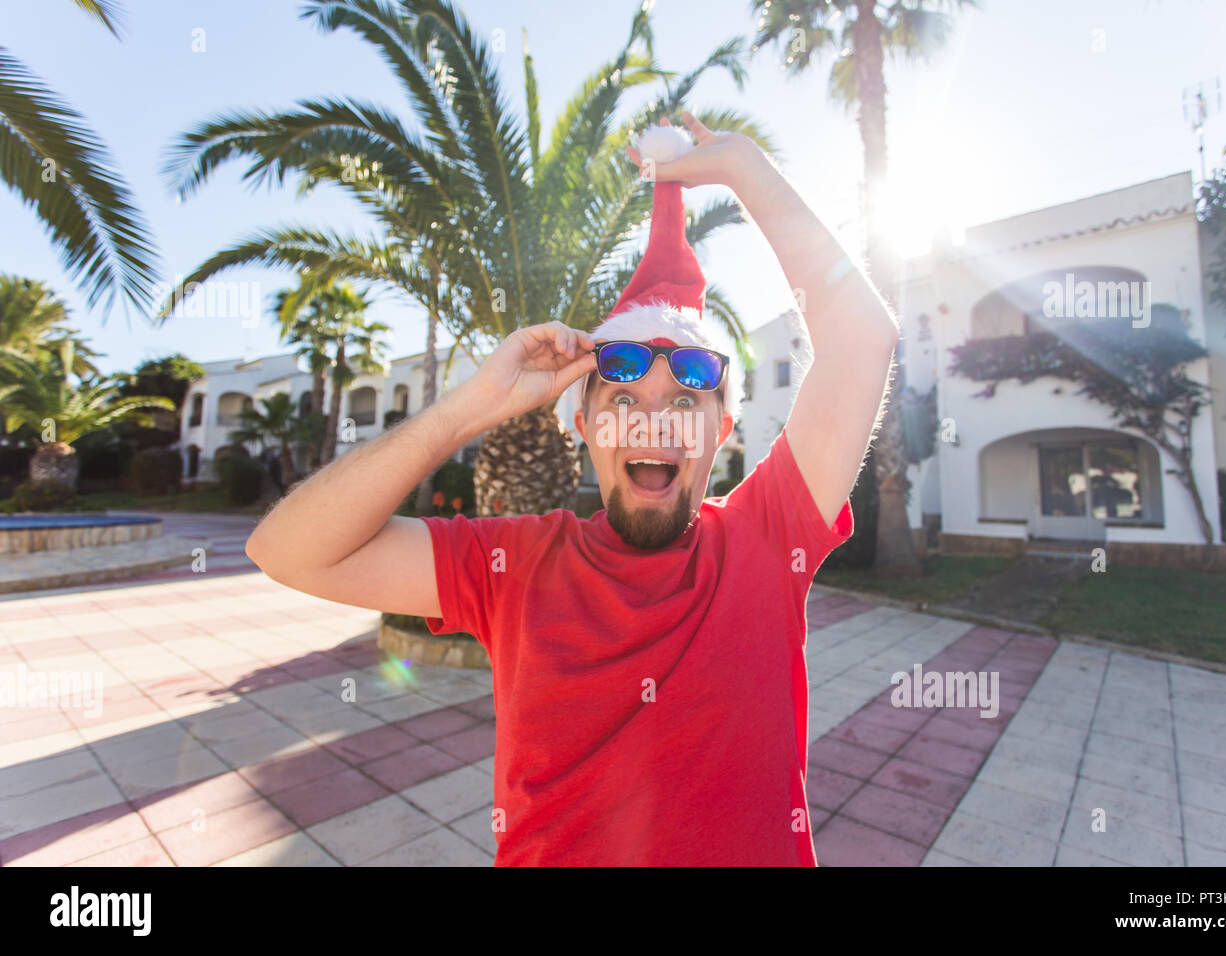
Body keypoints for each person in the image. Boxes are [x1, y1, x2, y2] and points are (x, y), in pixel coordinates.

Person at [245, 111, 899, 866]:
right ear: (581, 424)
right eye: (623, 399)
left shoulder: (766, 537)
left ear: (723, 433)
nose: (654, 424)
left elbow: (862, 339)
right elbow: (289, 551)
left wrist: (744, 169)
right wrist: (473, 407)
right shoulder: (516, 565)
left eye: (685, 401)